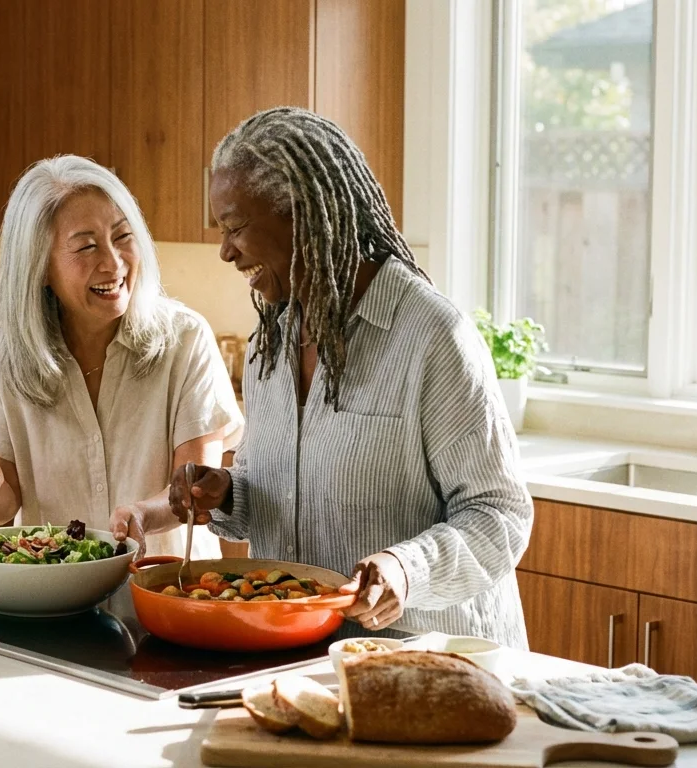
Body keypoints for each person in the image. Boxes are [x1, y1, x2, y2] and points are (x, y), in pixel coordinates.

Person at [160, 107, 533, 648]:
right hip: (310, 651)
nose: (225, 251)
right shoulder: (272, 342)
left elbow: (499, 516)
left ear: (304, 215)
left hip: (431, 656)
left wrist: (407, 571)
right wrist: (227, 495)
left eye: (236, 228)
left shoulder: (432, 336)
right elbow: (286, 495)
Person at [0, 155, 243, 558]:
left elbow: (195, 488)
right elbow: (4, 507)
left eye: (123, 237)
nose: (113, 262)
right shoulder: (8, 351)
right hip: (55, 595)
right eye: (86, 247)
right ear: (40, 268)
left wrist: (143, 514)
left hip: (167, 590)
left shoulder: (185, 339)